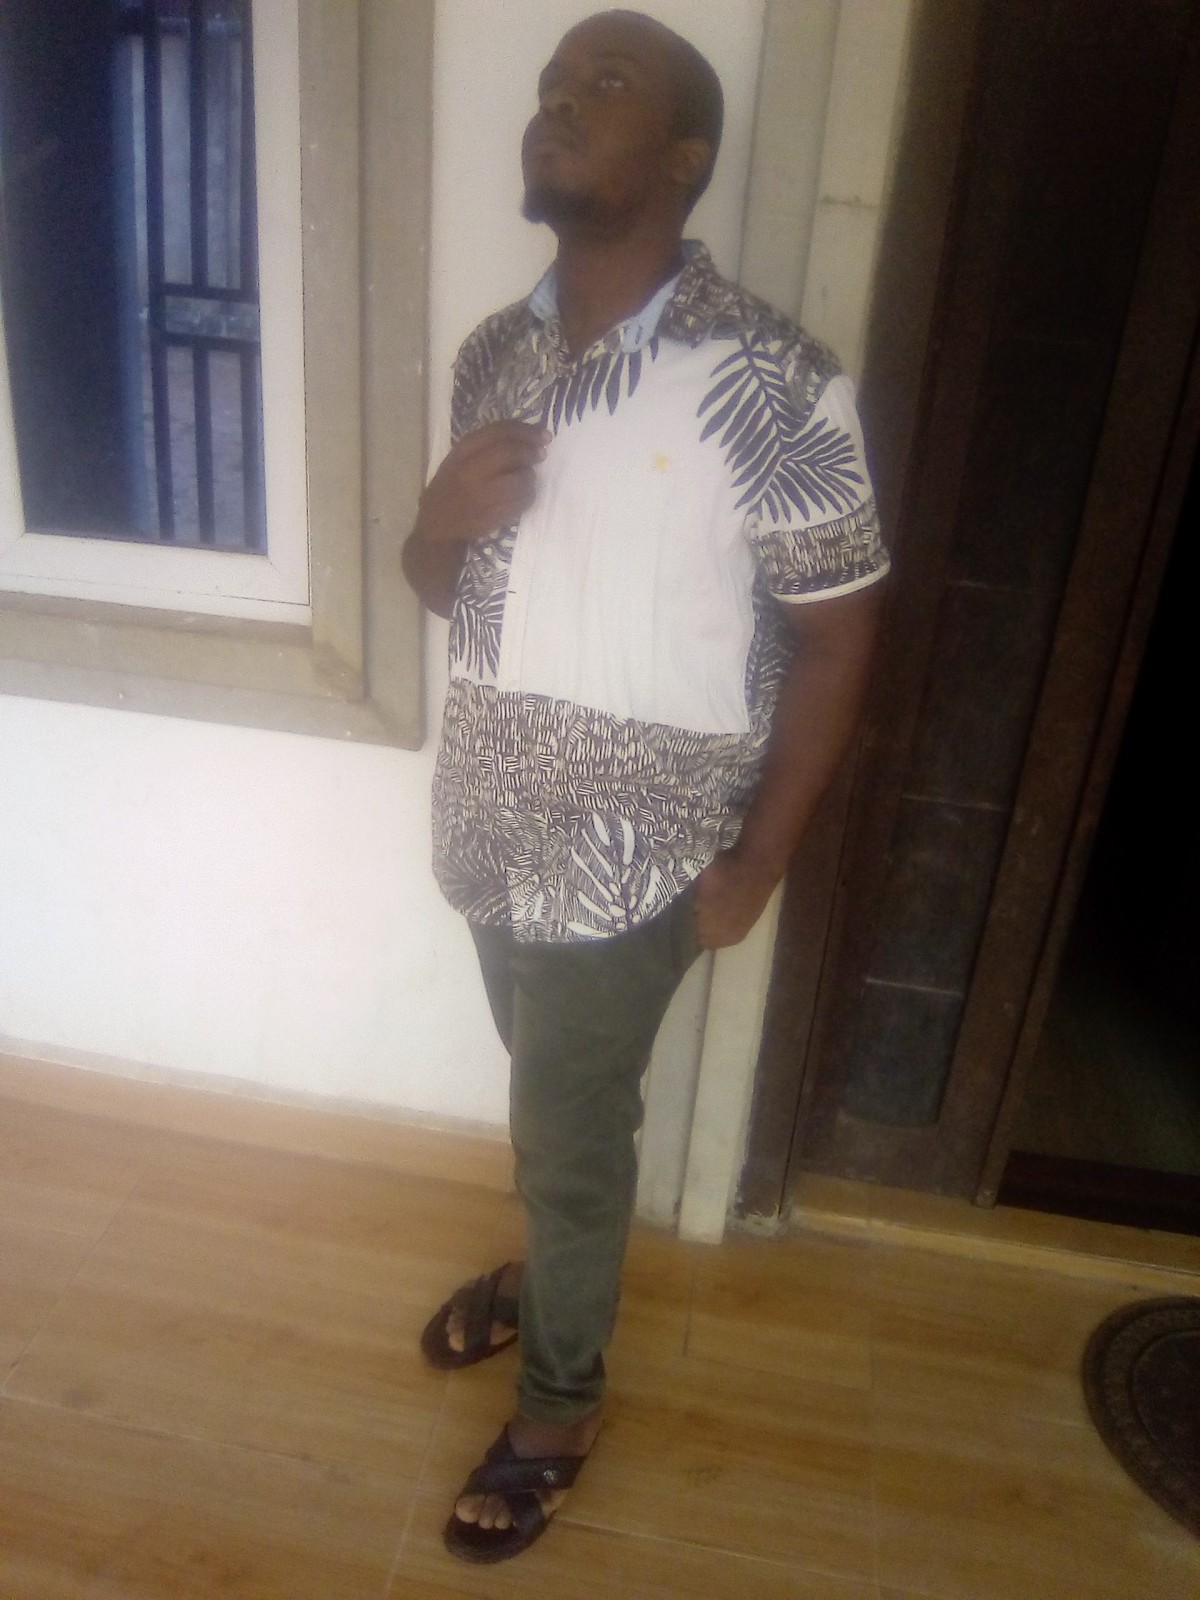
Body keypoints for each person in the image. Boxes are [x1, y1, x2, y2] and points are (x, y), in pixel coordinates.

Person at [402, 8, 889, 1564]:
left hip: (639, 854)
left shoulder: (776, 382)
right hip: (490, 825)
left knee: (568, 1128)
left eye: (601, 86)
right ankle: (558, 1268)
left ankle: (560, 1407)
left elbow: (838, 640)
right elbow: (443, 589)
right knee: (557, 1109)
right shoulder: (495, 355)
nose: (557, 103)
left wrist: (759, 863)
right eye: (552, 84)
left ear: (683, 160)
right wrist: (434, 521)